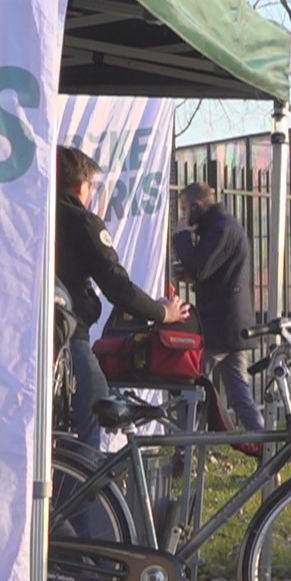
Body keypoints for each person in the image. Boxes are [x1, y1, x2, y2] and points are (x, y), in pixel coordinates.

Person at [55, 146, 189, 444]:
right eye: (91, 186)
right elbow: (117, 285)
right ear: (81, 186)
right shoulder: (81, 221)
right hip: (68, 337)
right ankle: (78, 490)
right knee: (91, 414)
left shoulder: (37, 216)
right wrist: (162, 312)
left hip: (28, 345)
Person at [170, 182, 263, 434]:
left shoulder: (222, 228)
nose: (183, 216)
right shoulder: (220, 227)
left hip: (222, 326)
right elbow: (212, 270)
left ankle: (184, 448)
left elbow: (201, 266)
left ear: (197, 207)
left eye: (185, 209)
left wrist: (180, 236)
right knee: (239, 393)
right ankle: (266, 447)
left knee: (188, 381)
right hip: (230, 325)